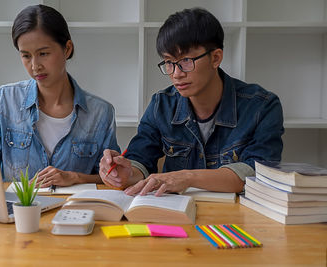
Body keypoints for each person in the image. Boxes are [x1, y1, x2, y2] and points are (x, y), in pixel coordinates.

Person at [99, 7, 284, 196]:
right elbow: (140, 158)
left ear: (215, 58)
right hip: (175, 213)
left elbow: (258, 174)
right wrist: (125, 173)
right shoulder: (160, 105)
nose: (177, 74)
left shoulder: (262, 107)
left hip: (237, 217)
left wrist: (187, 177)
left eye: (186, 60)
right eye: (169, 62)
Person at [0, 5, 120, 186]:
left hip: (74, 211)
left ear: (67, 49)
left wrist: (74, 177)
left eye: (43, 53)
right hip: (18, 211)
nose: (35, 65)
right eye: (26, 56)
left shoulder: (100, 112)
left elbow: (111, 177)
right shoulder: (3, 101)